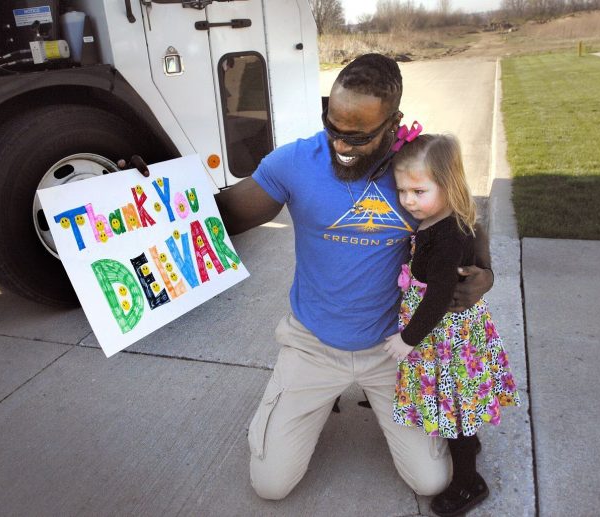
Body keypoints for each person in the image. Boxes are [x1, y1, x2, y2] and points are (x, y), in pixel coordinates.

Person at [127, 53, 494, 499]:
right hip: (313, 344)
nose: (341, 144)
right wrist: (152, 198)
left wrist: (485, 272)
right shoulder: (295, 163)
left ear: (394, 123)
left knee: (431, 481)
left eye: (358, 136)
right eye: (333, 126)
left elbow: (466, 218)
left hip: (393, 346)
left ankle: (373, 406)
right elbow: (221, 217)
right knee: (271, 485)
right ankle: (303, 403)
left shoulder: (418, 167)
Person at [383, 133, 520, 516]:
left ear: (448, 184)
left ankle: (468, 483)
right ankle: (468, 442)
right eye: (402, 191)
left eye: (419, 191)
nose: (408, 200)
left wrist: (407, 340)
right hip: (446, 337)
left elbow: (440, 296)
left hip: (446, 341)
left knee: (453, 412)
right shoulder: (440, 219)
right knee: (456, 410)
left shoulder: (448, 239)